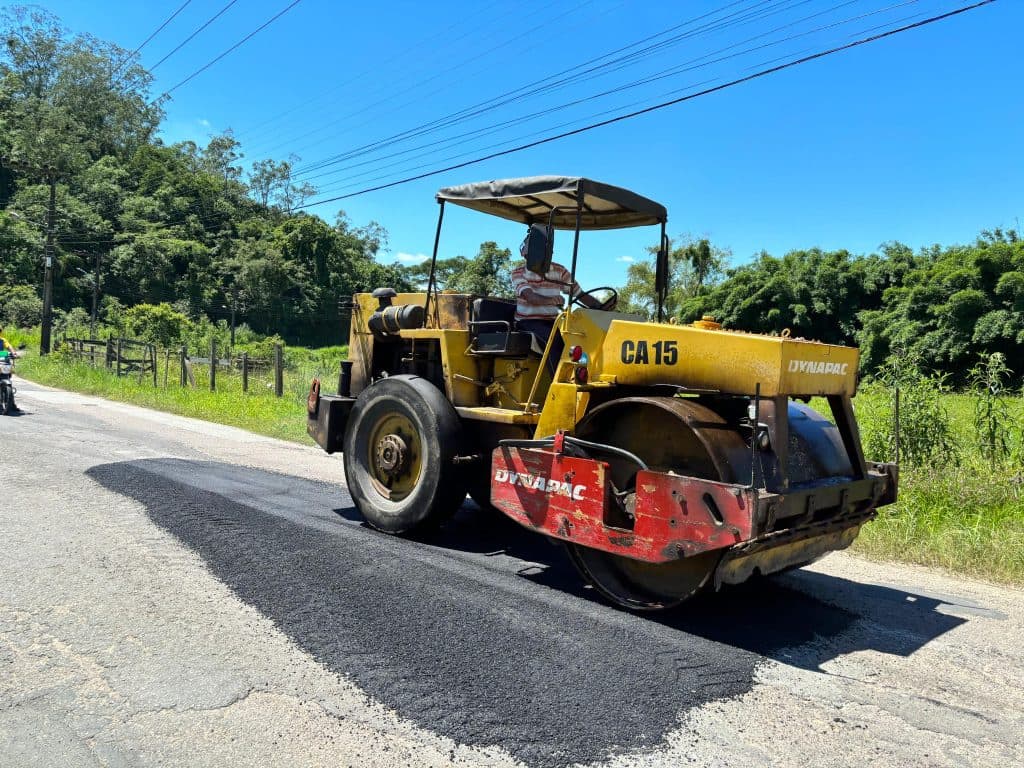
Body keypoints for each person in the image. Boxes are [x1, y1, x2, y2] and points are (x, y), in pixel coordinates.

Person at [511, 229, 601, 375]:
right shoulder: (518, 273)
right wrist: (551, 300)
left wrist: (600, 306)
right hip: (527, 322)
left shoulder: (559, 271)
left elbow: (579, 294)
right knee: (553, 342)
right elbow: (530, 297)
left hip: (553, 322)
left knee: (580, 338)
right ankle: (558, 384)